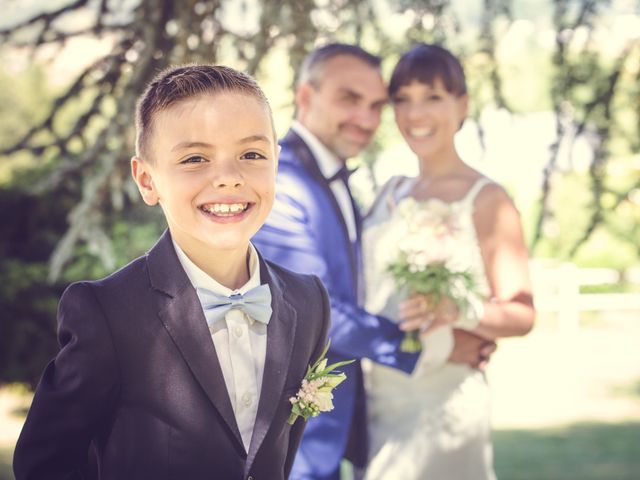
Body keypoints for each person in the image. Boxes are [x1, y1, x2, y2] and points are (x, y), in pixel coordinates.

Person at [13, 64, 331, 480]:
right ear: (147, 180)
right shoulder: (107, 312)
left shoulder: (309, 303)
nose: (229, 179)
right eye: (195, 158)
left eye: (251, 154)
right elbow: (45, 464)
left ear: (276, 163)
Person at [253, 43, 460, 480]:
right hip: (287, 442)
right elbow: (318, 313)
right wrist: (426, 348)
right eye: (349, 99)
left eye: (376, 106)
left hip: (333, 431)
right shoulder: (279, 183)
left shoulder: (340, 179)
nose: (366, 120)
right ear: (306, 97)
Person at [361, 43, 536, 480]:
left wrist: (461, 312)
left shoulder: (488, 200)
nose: (415, 114)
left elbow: (521, 313)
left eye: (433, 97)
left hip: (444, 403)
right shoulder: (388, 192)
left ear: (462, 104)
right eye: (403, 99)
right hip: (378, 398)